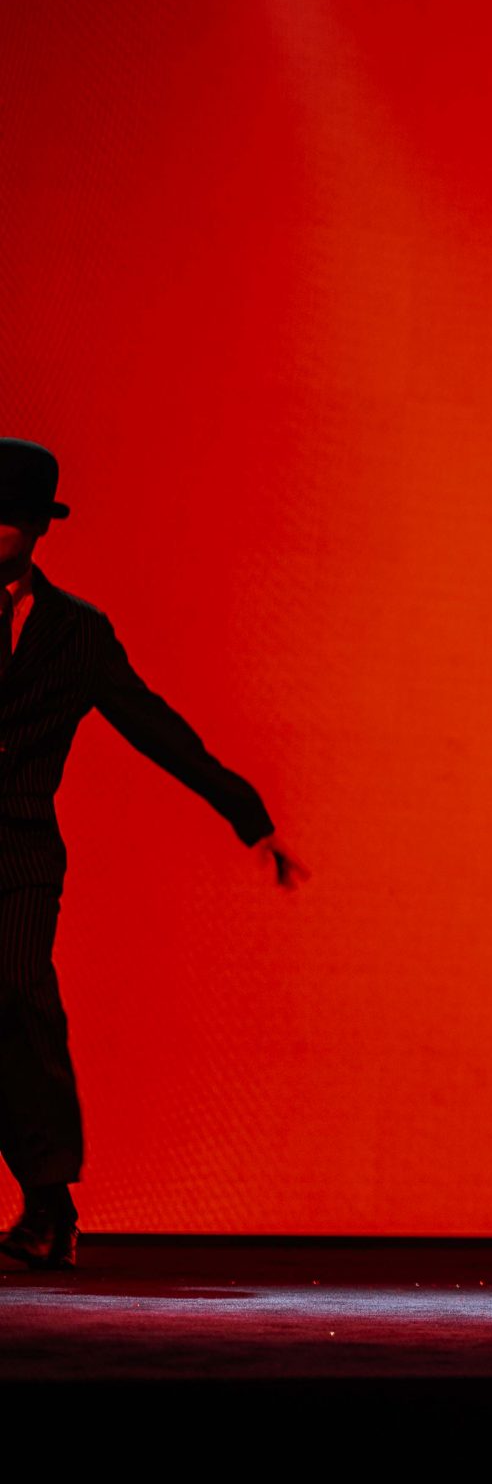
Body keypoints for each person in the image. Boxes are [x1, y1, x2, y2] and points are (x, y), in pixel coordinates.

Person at [0, 438, 307, 1271]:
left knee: (18, 993)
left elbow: (152, 724)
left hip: (19, 852)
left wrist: (247, 813)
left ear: (38, 527)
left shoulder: (75, 632)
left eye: (8, 516)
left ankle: (48, 1200)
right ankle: (50, 1207)